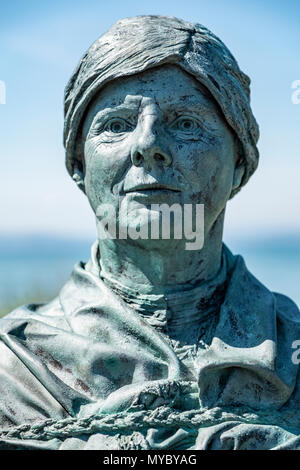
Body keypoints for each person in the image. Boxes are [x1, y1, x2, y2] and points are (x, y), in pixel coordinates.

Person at [0, 15, 299, 450]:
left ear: (239, 164)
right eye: (116, 124)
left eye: (187, 123)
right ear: (79, 166)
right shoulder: (15, 366)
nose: (148, 144)